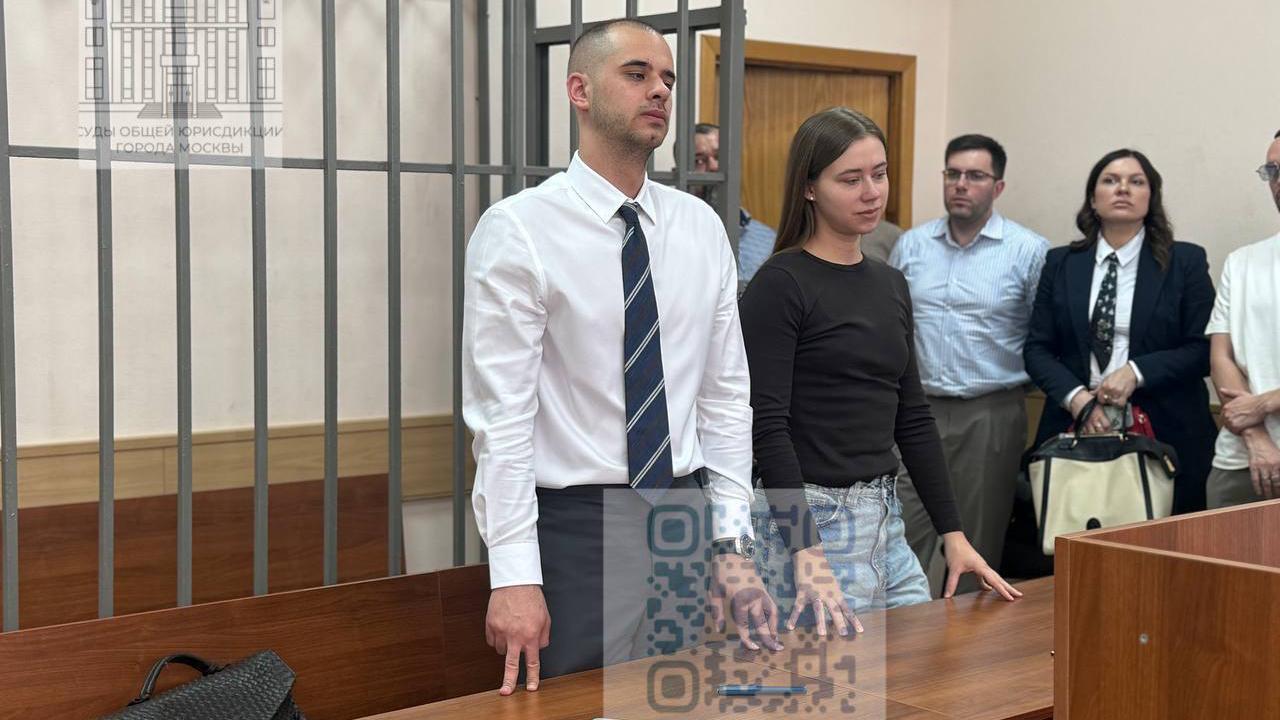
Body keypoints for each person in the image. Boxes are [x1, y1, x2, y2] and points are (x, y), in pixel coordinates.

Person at [462, 19, 779, 695]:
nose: (659, 90)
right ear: (579, 90)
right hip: (578, 522)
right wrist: (513, 574)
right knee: (579, 704)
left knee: (677, 700)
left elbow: (725, 399)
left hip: (683, 510)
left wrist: (733, 542)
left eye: (667, 78)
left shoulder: (699, 227)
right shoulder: (519, 230)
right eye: (636, 74)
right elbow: (503, 418)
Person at [739, 107, 1020, 638]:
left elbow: (912, 416)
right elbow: (767, 426)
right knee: (833, 680)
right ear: (809, 188)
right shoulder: (781, 283)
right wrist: (804, 549)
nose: (872, 192)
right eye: (851, 179)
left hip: (885, 518)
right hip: (813, 519)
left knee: (918, 663)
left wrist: (953, 533)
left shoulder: (890, 283)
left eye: (880, 174)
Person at [890, 134, 1049, 596]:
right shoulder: (912, 245)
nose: (961, 184)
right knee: (903, 534)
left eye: (975, 176)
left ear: (997, 187)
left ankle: (965, 639)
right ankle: (905, 632)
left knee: (976, 542)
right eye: (953, 173)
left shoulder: (1028, 250)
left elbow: (1042, 336)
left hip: (990, 412)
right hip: (915, 412)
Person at [1024, 149, 1217, 514]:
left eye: (1136, 182)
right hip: (1075, 429)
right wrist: (1078, 400)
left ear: (1151, 197)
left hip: (1167, 430)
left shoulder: (1185, 262)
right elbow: (1037, 349)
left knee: (1165, 542)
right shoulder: (1061, 263)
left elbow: (1203, 349)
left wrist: (1135, 372)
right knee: (1080, 537)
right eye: (1110, 180)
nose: (1123, 189)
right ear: (1093, 199)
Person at [1206, 129, 1280, 507]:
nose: (1279, 181)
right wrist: (1256, 436)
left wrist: (1264, 404)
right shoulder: (1242, 262)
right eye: (1273, 171)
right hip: (1242, 459)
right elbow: (1221, 356)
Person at [684, 123, 778, 292]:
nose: (713, 167)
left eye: (719, 157)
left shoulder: (769, 240)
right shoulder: (668, 233)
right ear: (680, 171)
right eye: (699, 160)